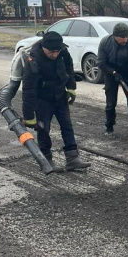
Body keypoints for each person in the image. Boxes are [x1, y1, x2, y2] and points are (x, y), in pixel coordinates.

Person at [22, 31, 90, 172]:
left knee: (67, 125)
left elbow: (69, 68)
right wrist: (29, 116)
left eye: (57, 51)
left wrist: (71, 87)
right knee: (43, 129)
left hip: (60, 95)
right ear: (43, 47)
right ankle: (46, 160)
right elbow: (28, 89)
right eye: (51, 52)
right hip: (43, 99)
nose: (54, 55)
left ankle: (73, 159)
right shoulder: (33, 60)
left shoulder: (62, 52)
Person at [97, 22, 128, 142]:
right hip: (110, 72)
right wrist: (113, 73)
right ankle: (109, 126)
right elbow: (101, 63)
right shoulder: (105, 42)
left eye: (127, 37)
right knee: (111, 103)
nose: (125, 40)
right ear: (115, 36)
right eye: (122, 38)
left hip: (127, 72)